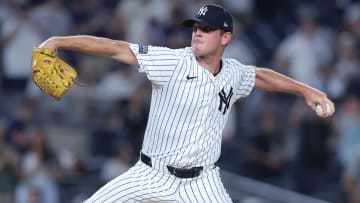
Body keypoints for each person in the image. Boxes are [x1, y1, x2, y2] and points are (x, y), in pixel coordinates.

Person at [38, 4, 335, 203]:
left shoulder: (232, 72)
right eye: (195, 27)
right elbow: (116, 48)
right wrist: (60, 41)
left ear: (225, 37)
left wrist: (305, 90)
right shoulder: (171, 61)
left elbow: (260, 76)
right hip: (151, 174)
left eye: (206, 29)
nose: (197, 32)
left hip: (202, 182)